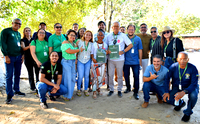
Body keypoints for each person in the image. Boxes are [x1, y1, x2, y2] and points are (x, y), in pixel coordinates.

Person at [163, 52, 199, 122]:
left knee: (193, 96)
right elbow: (167, 79)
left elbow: (194, 84)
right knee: (168, 99)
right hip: (177, 86)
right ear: (177, 59)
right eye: (180, 59)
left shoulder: (193, 68)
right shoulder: (173, 67)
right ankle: (181, 103)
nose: (182, 61)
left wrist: (184, 92)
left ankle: (188, 113)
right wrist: (167, 91)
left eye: (184, 59)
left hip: (190, 87)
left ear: (188, 59)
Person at [0, 18, 25, 104]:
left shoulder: (18, 33)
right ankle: (9, 95)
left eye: (20, 24)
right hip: (9, 57)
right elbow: (2, 44)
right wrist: (6, 55)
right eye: (16, 23)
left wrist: (22, 55)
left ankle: (16, 90)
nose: (18, 25)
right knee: (9, 75)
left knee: (17, 74)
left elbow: (19, 46)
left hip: (18, 57)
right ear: (12, 23)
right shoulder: (5, 31)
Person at [106, 21, 133, 98]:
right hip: (111, 59)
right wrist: (107, 51)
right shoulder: (108, 36)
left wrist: (123, 51)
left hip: (120, 59)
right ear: (112, 27)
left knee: (120, 75)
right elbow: (106, 45)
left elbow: (130, 45)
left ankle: (119, 90)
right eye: (114, 26)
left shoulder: (123, 35)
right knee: (110, 74)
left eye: (117, 26)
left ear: (119, 27)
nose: (116, 28)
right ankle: (111, 89)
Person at [61, 29, 84, 101]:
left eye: (74, 35)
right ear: (67, 35)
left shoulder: (74, 44)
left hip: (73, 62)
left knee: (72, 79)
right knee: (67, 79)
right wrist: (79, 50)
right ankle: (65, 95)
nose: (72, 37)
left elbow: (75, 54)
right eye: (71, 35)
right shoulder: (65, 42)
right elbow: (69, 51)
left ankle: (70, 94)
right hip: (66, 62)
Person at [123, 24, 143, 100]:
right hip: (126, 61)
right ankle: (128, 88)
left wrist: (140, 61)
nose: (131, 31)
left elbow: (140, 50)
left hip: (135, 62)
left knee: (136, 77)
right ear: (127, 30)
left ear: (134, 30)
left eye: (132, 29)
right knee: (126, 76)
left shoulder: (138, 39)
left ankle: (136, 92)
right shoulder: (124, 38)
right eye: (129, 29)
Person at [30, 28, 49, 93]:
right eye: (40, 32)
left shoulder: (47, 41)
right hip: (38, 63)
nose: (41, 34)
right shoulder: (34, 42)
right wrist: (37, 61)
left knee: (47, 77)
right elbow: (32, 52)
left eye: (43, 33)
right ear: (37, 34)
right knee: (39, 77)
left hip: (47, 63)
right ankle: (39, 91)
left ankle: (46, 91)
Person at [91, 29, 108, 99]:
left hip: (102, 63)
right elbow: (91, 53)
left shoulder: (106, 45)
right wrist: (93, 59)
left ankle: (99, 89)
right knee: (95, 77)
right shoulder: (94, 44)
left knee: (101, 77)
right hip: (95, 63)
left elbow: (106, 54)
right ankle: (94, 91)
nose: (100, 36)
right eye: (99, 35)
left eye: (102, 35)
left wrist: (107, 52)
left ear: (104, 36)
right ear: (97, 36)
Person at [76, 30, 93, 97]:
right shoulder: (79, 41)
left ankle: (86, 89)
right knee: (80, 76)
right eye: (87, 34)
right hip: (80, 60)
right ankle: (78, 89)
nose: (88, 36)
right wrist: (76, 59)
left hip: (88, 61)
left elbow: (92, 53)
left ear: (91, 37)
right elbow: (75, 50)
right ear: (84, 35)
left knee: (86, 76)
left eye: (90, 35)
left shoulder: (92, 44)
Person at [21, 27, 37, 91]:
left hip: (34, 58)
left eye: (29, 31)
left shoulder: (33, 39)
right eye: (26, 31)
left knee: (37, 72)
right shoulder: (23, 40)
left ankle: (37, 86)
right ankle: (32, 86)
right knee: (30, 73)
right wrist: (30, 46)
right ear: (24, 32)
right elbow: (23, 48)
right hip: (27, 58)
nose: (28, 32)